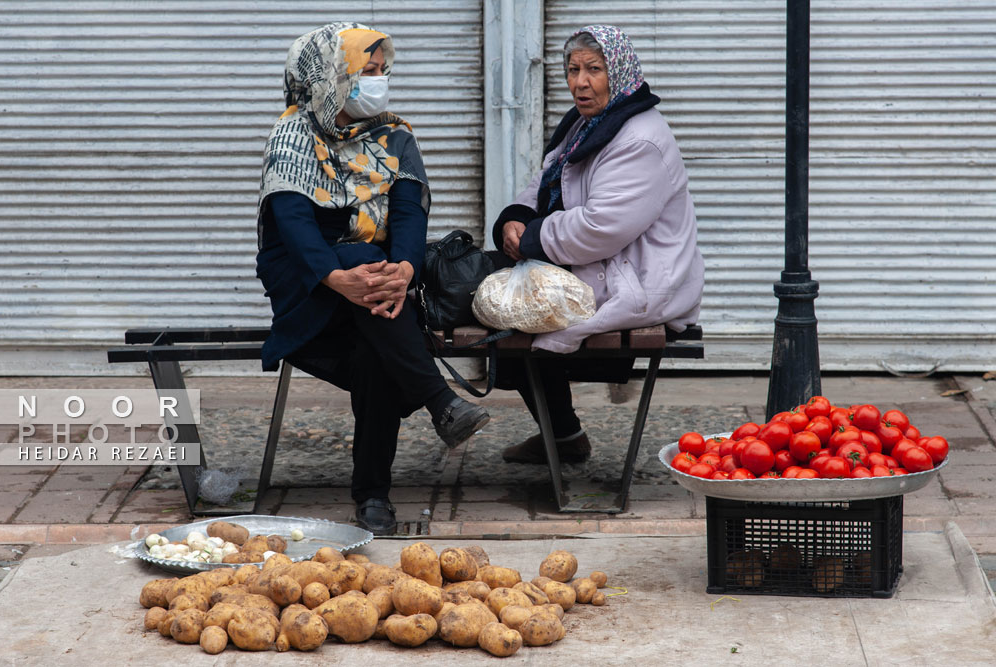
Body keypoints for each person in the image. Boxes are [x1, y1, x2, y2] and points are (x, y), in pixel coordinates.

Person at [255, 23, 489, 535]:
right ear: (330, 78)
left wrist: (405, 268)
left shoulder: (396, 135)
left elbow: (410, 212)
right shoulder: (293, 136)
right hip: (307, 286)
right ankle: (441, 401)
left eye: (383, 72)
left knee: (376, 353)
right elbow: (293, 228)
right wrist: (339, 278)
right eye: (366, 72)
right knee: (366, 270)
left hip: (380, 294)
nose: (378, 82)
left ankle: (374, 500)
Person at [492, 25, 704, 465]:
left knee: (508, 308)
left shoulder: (639, 137)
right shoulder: (588, 123)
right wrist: (514, 218)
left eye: (594, 69)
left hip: (636, 279)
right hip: (600, 265)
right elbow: (545, 182)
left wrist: (531, 240)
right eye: (573, 70)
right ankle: (563, 436)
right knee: (491, 291)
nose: (580, 82)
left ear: (619, 71)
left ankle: (562, 436)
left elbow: (602, 227)